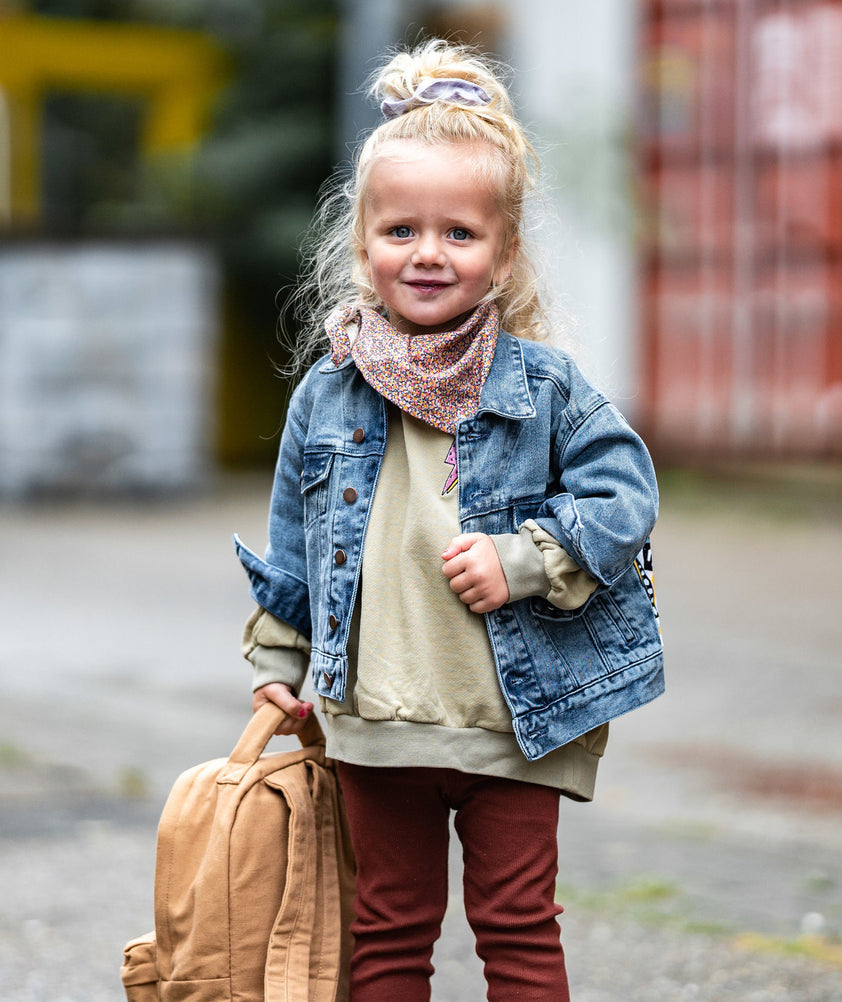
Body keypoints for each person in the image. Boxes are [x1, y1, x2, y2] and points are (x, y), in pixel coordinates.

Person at [234, 39, 663, 1002]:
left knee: (517, 927)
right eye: (401, 231)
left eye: (460, 234)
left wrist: (530, 559)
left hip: (516, 719)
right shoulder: (328, 396)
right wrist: (277, 666)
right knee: (384, 933)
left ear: (504, 252)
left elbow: (626, 492)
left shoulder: (544, 387)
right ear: (363, 243)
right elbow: (294, 545)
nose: (428, 253)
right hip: (376, 722)